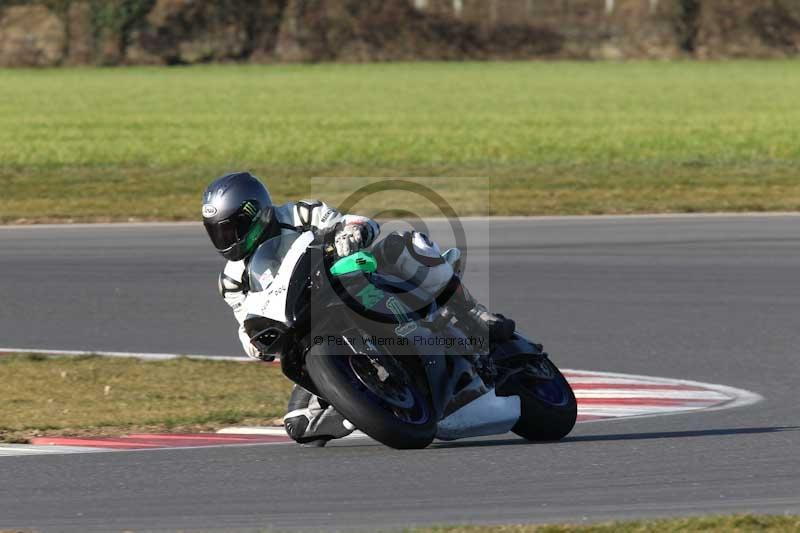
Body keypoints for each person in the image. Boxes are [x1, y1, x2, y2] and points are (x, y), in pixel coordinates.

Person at [202, 172, 514, 446]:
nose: (225, 240)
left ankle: (471, 313)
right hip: (309, 324)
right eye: (217, 231)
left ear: (254, 214)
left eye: (231, 229)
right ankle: (362, 401)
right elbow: (245, 320)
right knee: (299, 423)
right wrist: (254, 342)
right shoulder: (231, 279)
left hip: (349, 282)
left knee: (405, 245)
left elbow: (349, 221)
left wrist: (350, 231)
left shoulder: (298, 213)